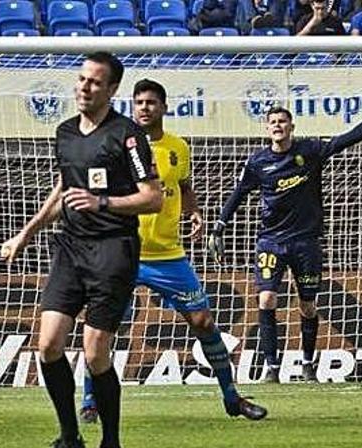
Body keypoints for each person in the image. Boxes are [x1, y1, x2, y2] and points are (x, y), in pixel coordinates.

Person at [0, 52, 163, 448]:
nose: (84, 87)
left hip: (113, 249)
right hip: (70, 248)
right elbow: (62, 192)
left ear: (111, 90)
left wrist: (103, 201)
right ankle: (69, 439)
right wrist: (25, 234)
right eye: (81, 79)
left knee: (95, 354)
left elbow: (153, 196)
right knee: (49, 345)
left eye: (94, 81)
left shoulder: (128, 136)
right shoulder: (65, 132)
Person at [78, 79, 267, 425]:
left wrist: (192, 211)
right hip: (123, 253)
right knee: (102, 328)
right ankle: (89, 400)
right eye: (139, 102)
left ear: (164, 107)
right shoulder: (117, 146)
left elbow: (182, 186)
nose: (144, 108)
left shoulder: (178, 147)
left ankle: (232, 397)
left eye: (151, 102)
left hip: (168, 256)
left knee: (204, 322)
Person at [207, 85, 362, 383]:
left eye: (282, 121)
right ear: (267, 128)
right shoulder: (257, 163)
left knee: (308, 305)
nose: (278, 126)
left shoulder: (310, 151)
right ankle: (272, 369)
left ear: (292, 126)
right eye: (273, 122)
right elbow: (238, 193)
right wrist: (220, 226)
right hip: (271, 242)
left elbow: (349, 139)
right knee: (266, 300)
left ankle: (307, 364)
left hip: (306, 243)